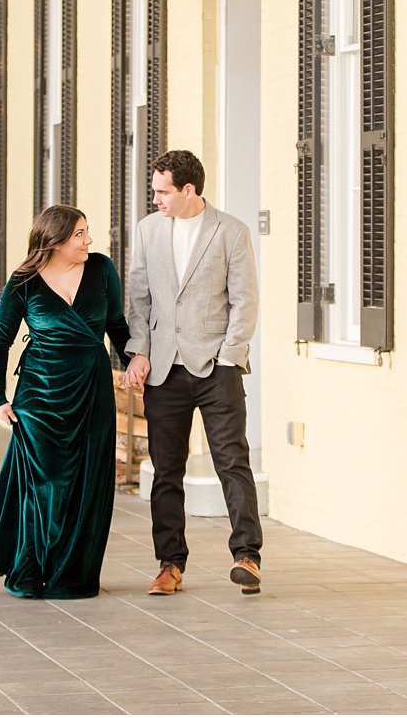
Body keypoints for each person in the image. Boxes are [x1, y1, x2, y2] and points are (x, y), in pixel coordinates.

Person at [0, 205, 131, 598]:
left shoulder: (102, 270)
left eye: (88, 232)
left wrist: (133, 362)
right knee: (44, 484)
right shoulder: (24, 282)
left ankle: (71, 575)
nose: (89, 240)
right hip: (39, 396)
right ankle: (30, 568)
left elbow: (117, 326)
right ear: (54, 241)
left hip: (92, 391)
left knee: (88, 483)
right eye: (80, 234)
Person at [122, 150, 263, 596]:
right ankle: (170, 564)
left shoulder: (231, 232)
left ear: (188, 190)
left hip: (217, 368)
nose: (156, 199)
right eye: (155, 191)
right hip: (164, 367)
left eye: (163, 191)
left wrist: (229, 354)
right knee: (166, 470)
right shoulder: (147, 230)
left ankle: (247, 556)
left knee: (232, 462)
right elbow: (138, 298)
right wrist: (138, 351)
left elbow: (245, 300)